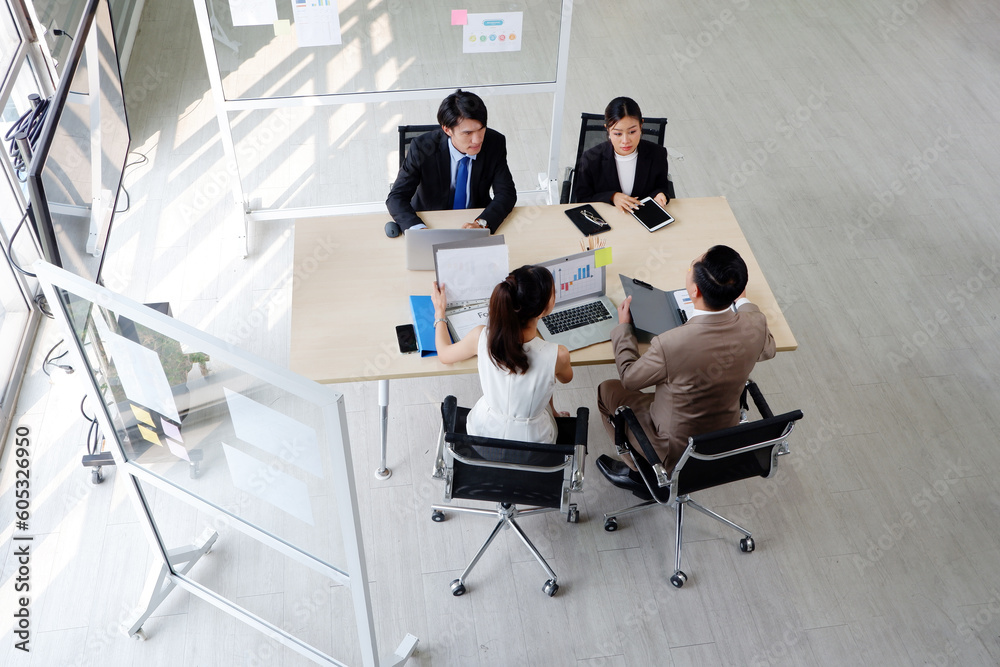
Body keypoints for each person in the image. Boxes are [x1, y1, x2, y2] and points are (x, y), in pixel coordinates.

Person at [595, 245, 776, 498]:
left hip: (673, 448)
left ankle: (640, 473)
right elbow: (768, 349)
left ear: (694, 290)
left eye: (692, 265)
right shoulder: (755, 323)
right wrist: (742, 300)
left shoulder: (671, 343)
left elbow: (629, 379)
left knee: (607, 389)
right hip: (725, 434)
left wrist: (624, 329)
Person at [431, 265, 573, 444]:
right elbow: (566, 378)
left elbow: (444, 354)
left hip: (482, 434)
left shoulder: (481, 337)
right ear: (543, 309)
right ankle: (552, 413)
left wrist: (439, 312)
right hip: (536, 445)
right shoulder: (558, 355)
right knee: (546, 376)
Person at [387, 89, 517, 234]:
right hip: (431, 221)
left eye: (481, 129)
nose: (478, 139)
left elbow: (506, 193)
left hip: (474, 220)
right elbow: (396, 197)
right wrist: (418, 230)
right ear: (447, 130)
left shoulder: (494, 142)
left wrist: (482, 223)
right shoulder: (422, 148)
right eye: (467, 133)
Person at [571, 96, 672, 213]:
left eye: (632, 132)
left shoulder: (657, 154)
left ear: (641, 126)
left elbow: (661, 187)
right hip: (607, 220)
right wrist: (612, 197)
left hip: (645, 218)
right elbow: (582, 199)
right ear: (608, 130)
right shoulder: (590, 159)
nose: (625, 141)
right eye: (618, 133)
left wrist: (660, 194)